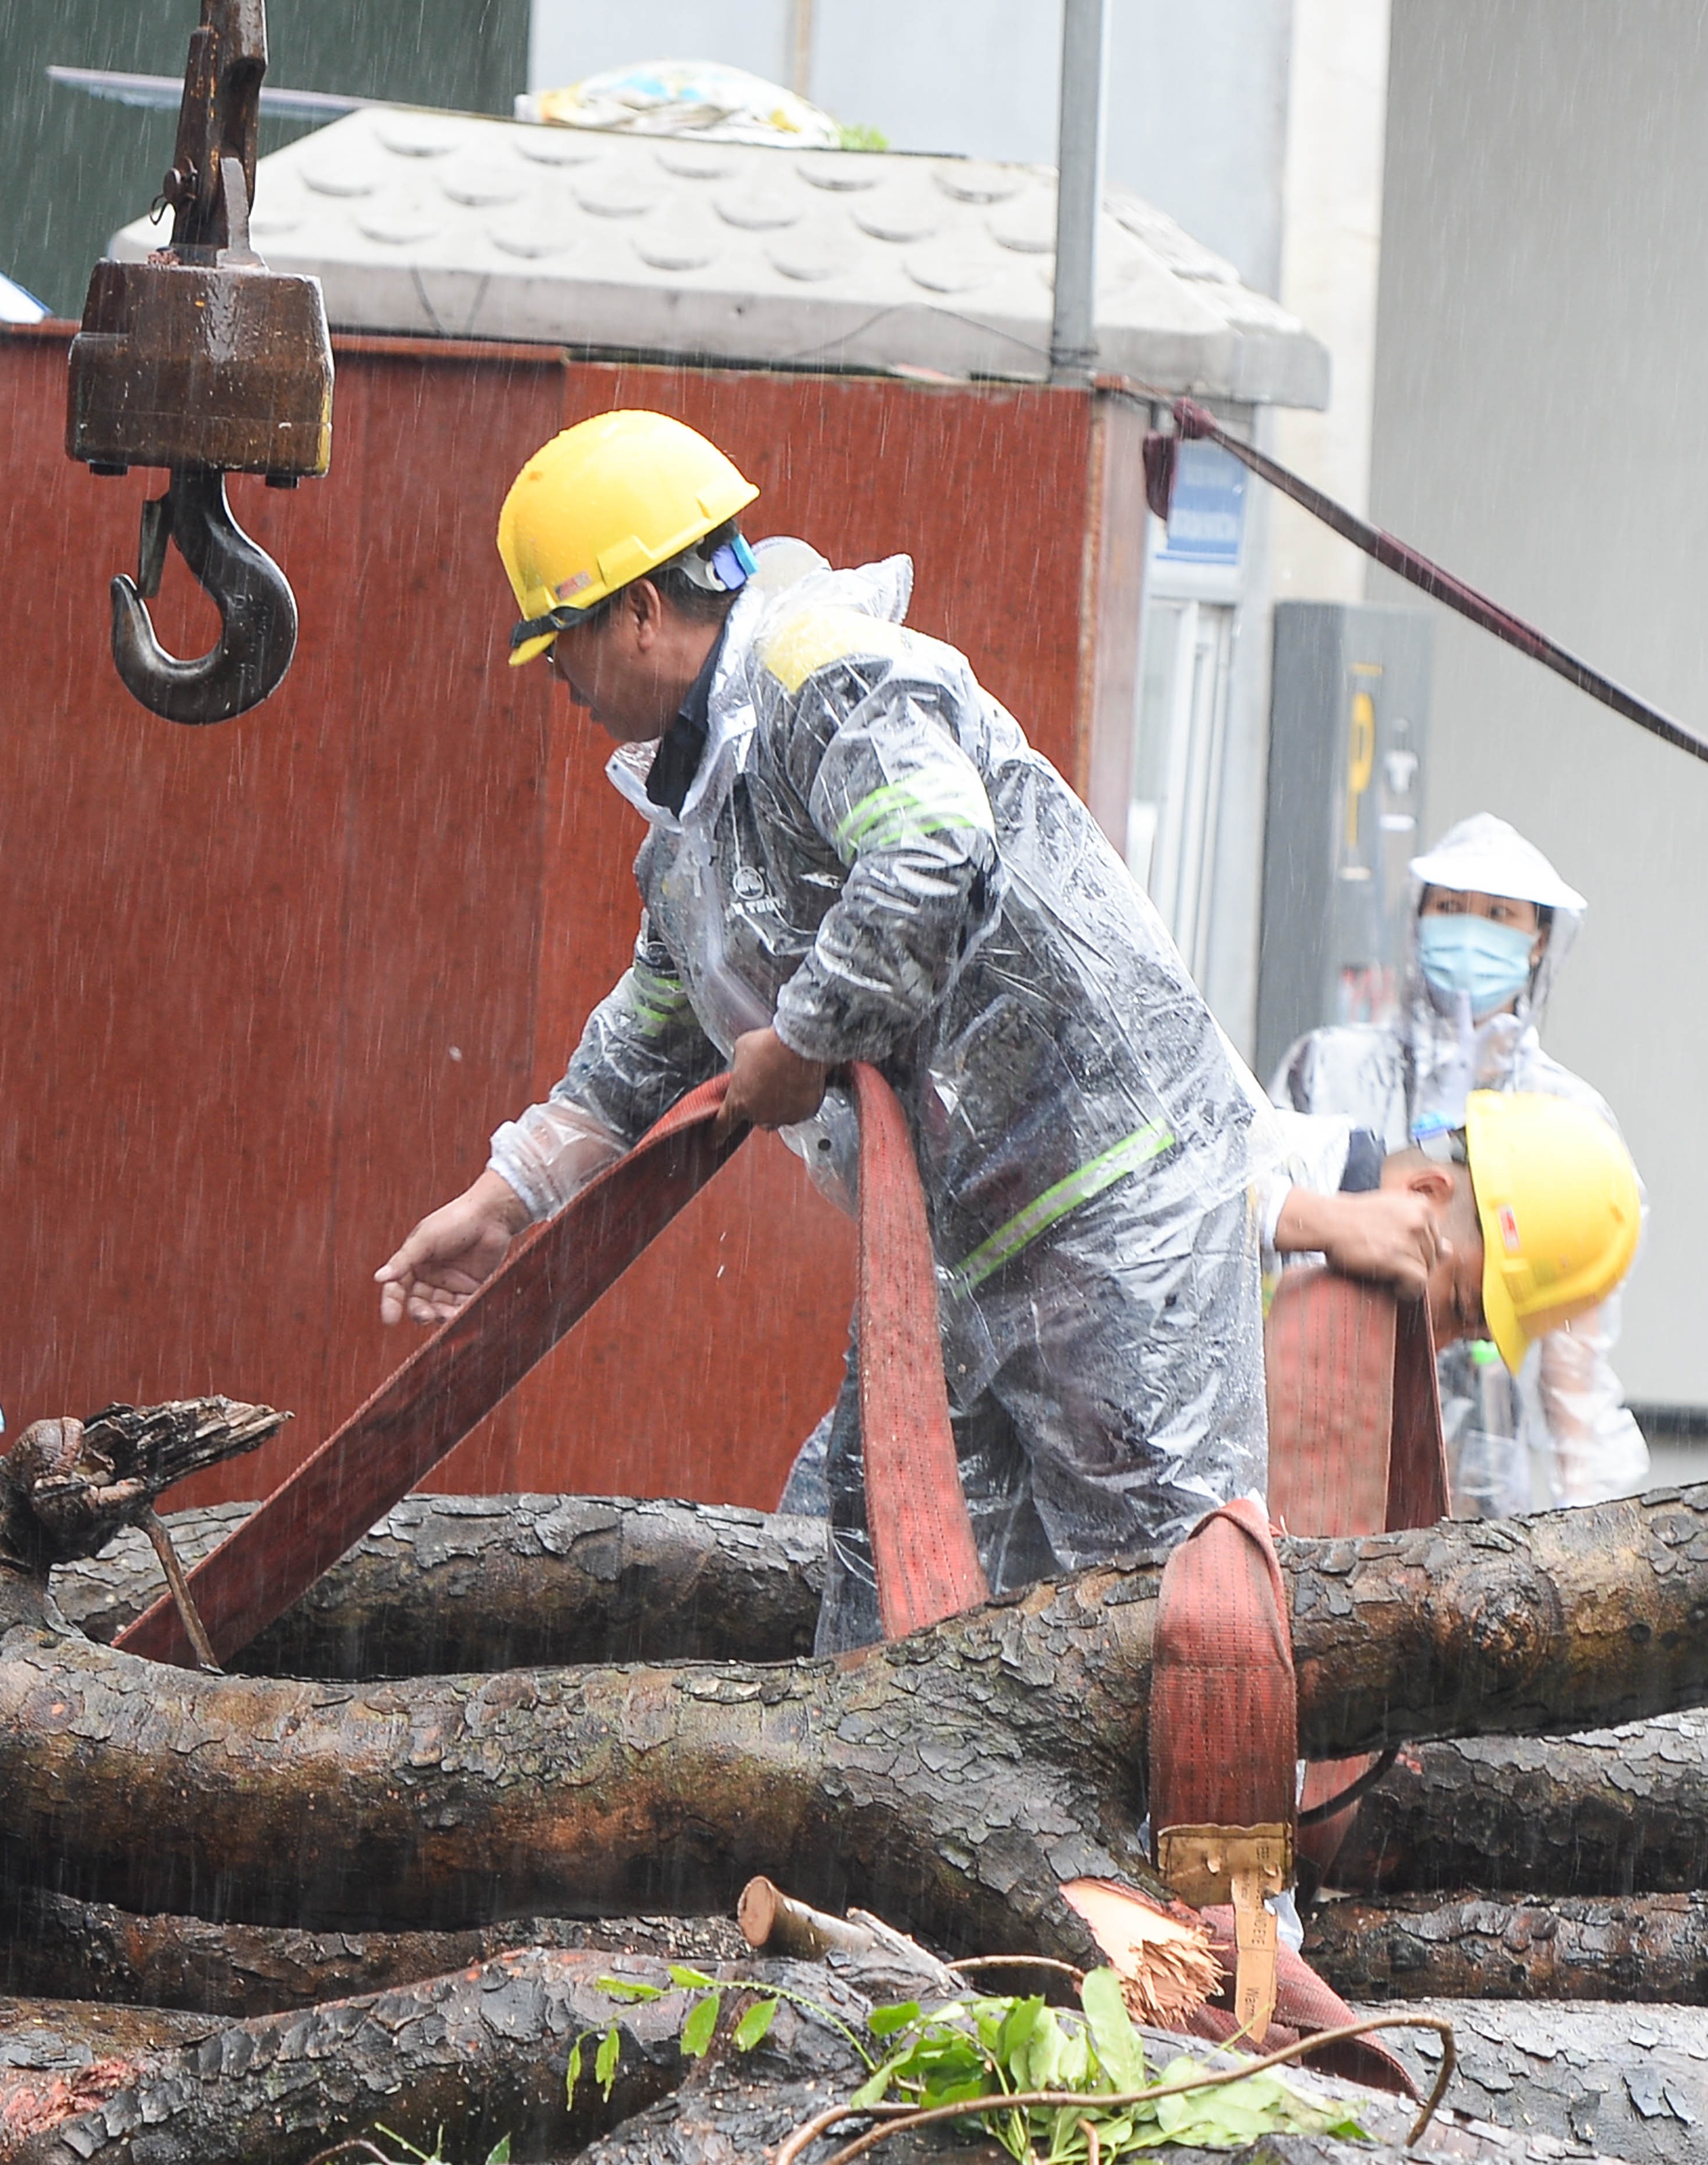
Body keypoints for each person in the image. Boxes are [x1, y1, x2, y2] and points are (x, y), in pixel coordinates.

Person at [373, 410, 1271, 1649]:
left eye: (561, 641)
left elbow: (928, 846)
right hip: (962, 1239)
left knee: (1164, 1601)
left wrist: (799, 1043)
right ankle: (895, 1842)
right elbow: (649, 1033)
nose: (561, 682)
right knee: (882, 1583)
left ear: (639, 610)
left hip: (1110, 1212)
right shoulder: (697, 821)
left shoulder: (822, 671)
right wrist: (507, 1192)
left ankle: (1206, 1849)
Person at [1262, 814, 1647, 1512]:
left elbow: (1577, 1375)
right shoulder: (1329, 1065)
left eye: (1499, 914)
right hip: (1315, 1438)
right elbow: (1255, 1239)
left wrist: (1589, 1533)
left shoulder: (1570, 1126)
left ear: (1538, 940)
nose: (1471, 932)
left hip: (1484, 1498)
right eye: (1450, 908)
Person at [1269, 1090, 1643, 1401]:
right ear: (1425, 1192)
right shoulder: (1260, 1156)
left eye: (1465, 1337)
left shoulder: (1341, 1338)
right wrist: (1301, 1218)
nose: (1435, 1347)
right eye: (1456, 1306)